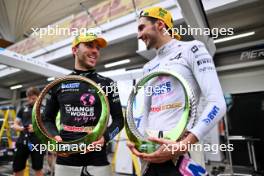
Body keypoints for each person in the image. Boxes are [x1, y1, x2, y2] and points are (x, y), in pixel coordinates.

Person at [127, 6, 227, 175]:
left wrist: (184, 144)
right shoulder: (147, 67)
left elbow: (217, 103)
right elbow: (145, 111)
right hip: (151, 156)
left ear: (159, 25)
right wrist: (138, 141)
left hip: (180, 153)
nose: (138, 35)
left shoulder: (193, 48)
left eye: (141, 27)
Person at [42, 32, 124, 176]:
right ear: (74, 50)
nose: (95, 51)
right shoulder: (58, 83)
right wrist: (54, 137)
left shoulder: (107, 83)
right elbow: (46, 118)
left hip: (98, 161)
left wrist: (105, 137)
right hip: (65, 161)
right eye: (89, 45)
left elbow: (119, 120)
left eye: (98, 48)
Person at [13, 87, 44, 176]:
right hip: (22, 141)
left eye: (33, 98)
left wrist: (36, 129)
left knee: (38, 167)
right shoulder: (23, 109)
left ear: (39, 97)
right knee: (18, 168)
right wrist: (22, 128)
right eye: (29, 98)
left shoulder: (44, 110)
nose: (30, 100)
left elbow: (49, 127)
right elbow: (15, 125)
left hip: (38, 143)